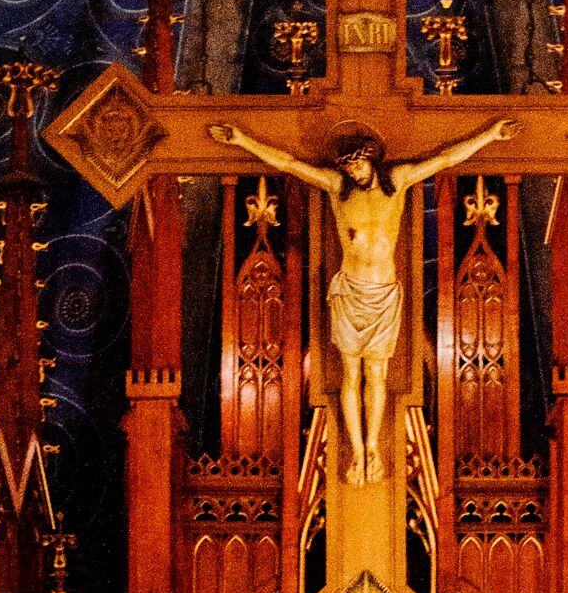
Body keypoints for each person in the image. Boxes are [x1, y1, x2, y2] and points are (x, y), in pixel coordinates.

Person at [209, 114, 515, 484]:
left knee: (377, 374)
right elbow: (289, 164)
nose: (354, 170)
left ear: (371, 157)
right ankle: (357, 452)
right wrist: (242, 140)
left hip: (384, 293)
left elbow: (445, 160)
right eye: (348, 164)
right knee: (351, 374)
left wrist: (490, 135)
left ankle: (373, 448)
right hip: (351, 292)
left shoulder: (397, 182)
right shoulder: (338, 188)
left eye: (357, 161)